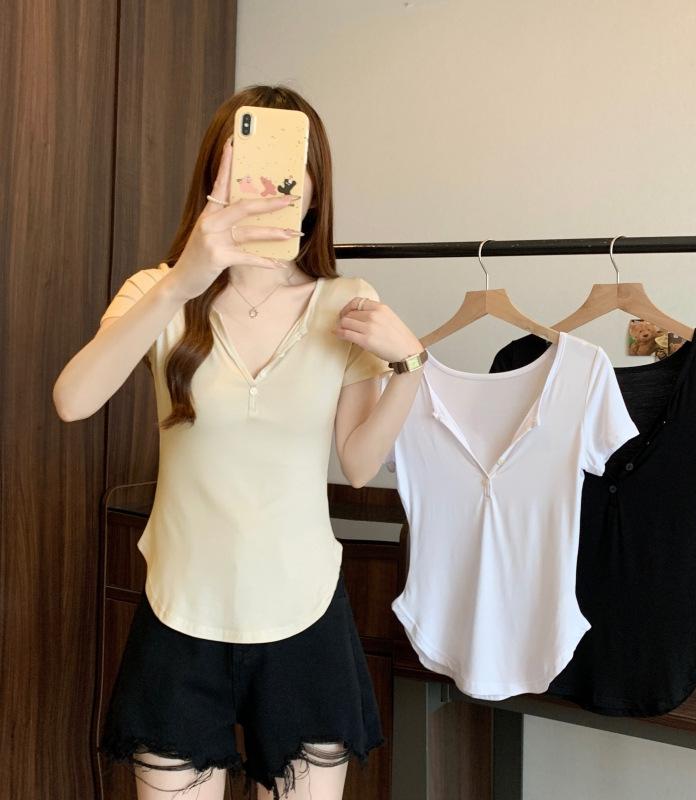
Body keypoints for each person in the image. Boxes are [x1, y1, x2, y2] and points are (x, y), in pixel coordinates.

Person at [52, 84, 427, 800]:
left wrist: (411, 368)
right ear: (213, 178)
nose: (269, 183)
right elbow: (72, 401)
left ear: (313, 190)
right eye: (247, 162)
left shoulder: (345, 300)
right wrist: (182, 281)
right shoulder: (156, 291)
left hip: (304, 611)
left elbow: (357, 464)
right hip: (181, 608)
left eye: (292, 167)